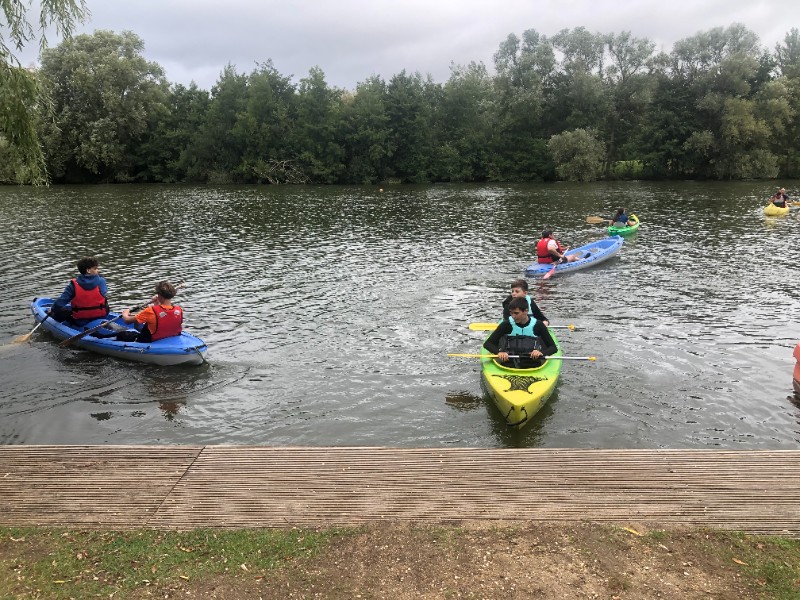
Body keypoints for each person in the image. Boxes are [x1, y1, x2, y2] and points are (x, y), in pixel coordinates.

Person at [483, 297, 557, 369]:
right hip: (509, 363)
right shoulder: (506, 325)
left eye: (516, 313)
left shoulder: (538, 325)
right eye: (511, 313)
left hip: (532, 364)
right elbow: (488, 344)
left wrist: (541, 353)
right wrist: (499, 352)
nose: (513, 316)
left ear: (526, 311)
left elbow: (553, 348)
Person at [51, 256, 109, 326]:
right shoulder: (102, 281)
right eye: (95, 268)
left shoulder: (73, 285)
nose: (98, 271)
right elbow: (101, 294)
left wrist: (52, 310)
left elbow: (61, 302)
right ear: (88, 270)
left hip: (80, 321)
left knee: (59, 312)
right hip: (101, 317)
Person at [118, 281, 183, 343]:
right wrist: (157, 303)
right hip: (167, 336)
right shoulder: (179, 310)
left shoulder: (150, 311)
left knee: (121, 335)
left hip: (150, 340)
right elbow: (161, 315)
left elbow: (127, 321)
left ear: (160, 296)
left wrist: (125, 313)